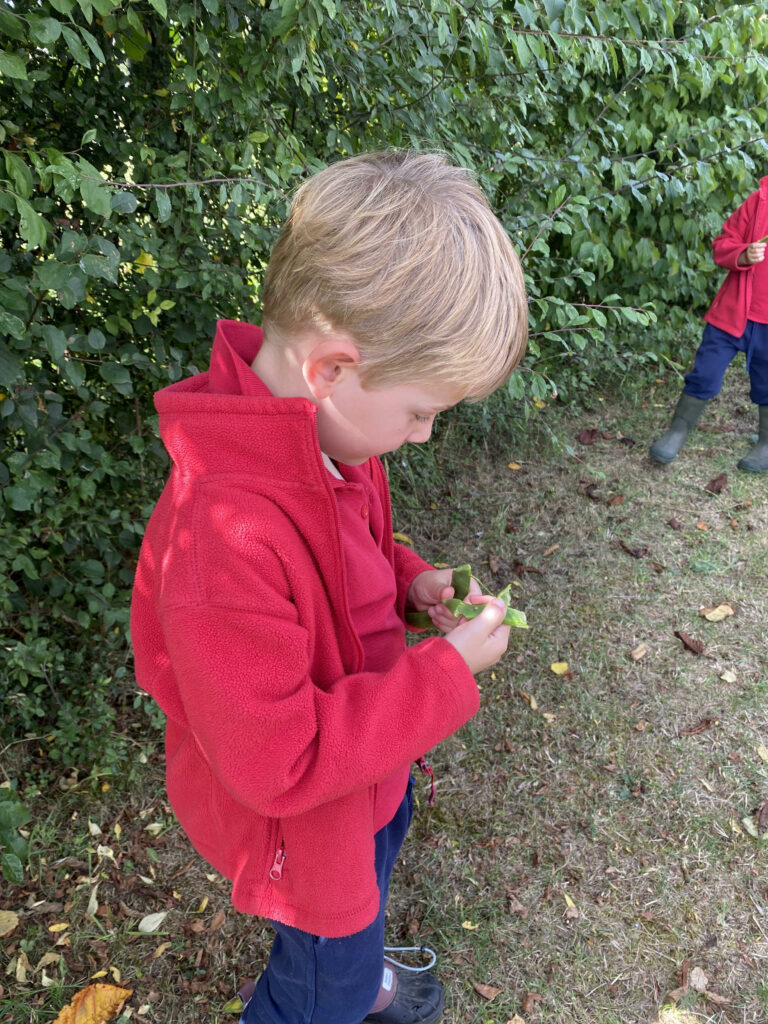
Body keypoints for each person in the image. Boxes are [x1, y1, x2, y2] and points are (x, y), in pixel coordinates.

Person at [130, 150, 528, 1024]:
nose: (422, 436)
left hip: (366, 777)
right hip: (306, 836)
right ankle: (330, 992)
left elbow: (352, 546)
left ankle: (354, 974)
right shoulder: (220, 541)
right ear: (332, 370)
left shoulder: (326, 442)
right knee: (323, 983)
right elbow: (282, 763)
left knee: (377, 863)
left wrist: (412, 579)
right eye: (422, 411)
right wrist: (445, 676)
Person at [650, 175, 768, 471]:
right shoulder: (759, 201)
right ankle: (678, 430)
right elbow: (723, 244)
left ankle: (766, 443)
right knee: (705, 372)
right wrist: (743, 253)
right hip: (732, 314)